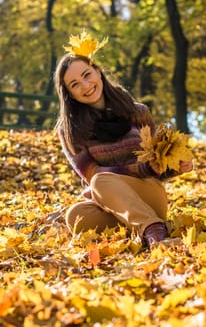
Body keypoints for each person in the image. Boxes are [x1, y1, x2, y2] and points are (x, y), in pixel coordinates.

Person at [54, 31, 193, 249]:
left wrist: (178, 166)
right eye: (74, 84)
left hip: (149, 194)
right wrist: (141, 169)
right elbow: (92, 174)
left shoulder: (137, 111)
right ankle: (147, 229)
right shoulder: (70, 130)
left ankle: (152, 229)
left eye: (86, 75)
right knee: (76, 215)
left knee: (101, 182)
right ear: (70, 94)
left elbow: (156, 165)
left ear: (98, 72)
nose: (85, 85)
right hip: (112, 202)